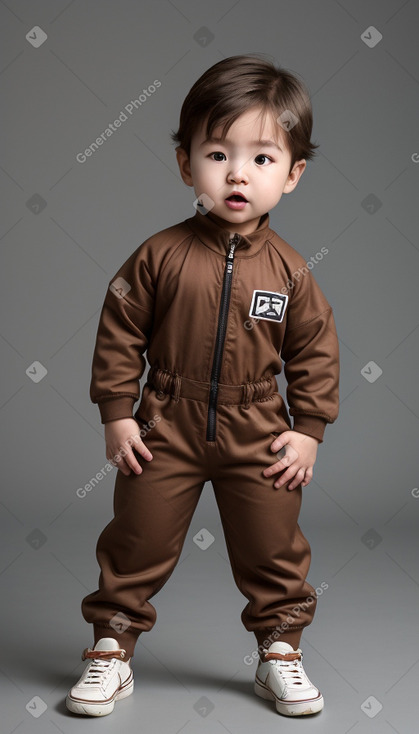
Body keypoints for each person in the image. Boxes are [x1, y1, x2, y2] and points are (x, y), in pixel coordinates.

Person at [66, 54, 339, 718]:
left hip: (259, 432)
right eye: (218, 154)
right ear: (187, 165)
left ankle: (278, 650)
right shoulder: (157, 256)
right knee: (136, 538)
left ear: (293, 174)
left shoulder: (291, 272)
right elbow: (119, 331)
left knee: (273, 547)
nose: (238, 173)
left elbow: (314, 352)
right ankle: (111, 647)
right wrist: (117, 412)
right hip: (165, 423)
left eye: (262, 158)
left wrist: (307, 430)